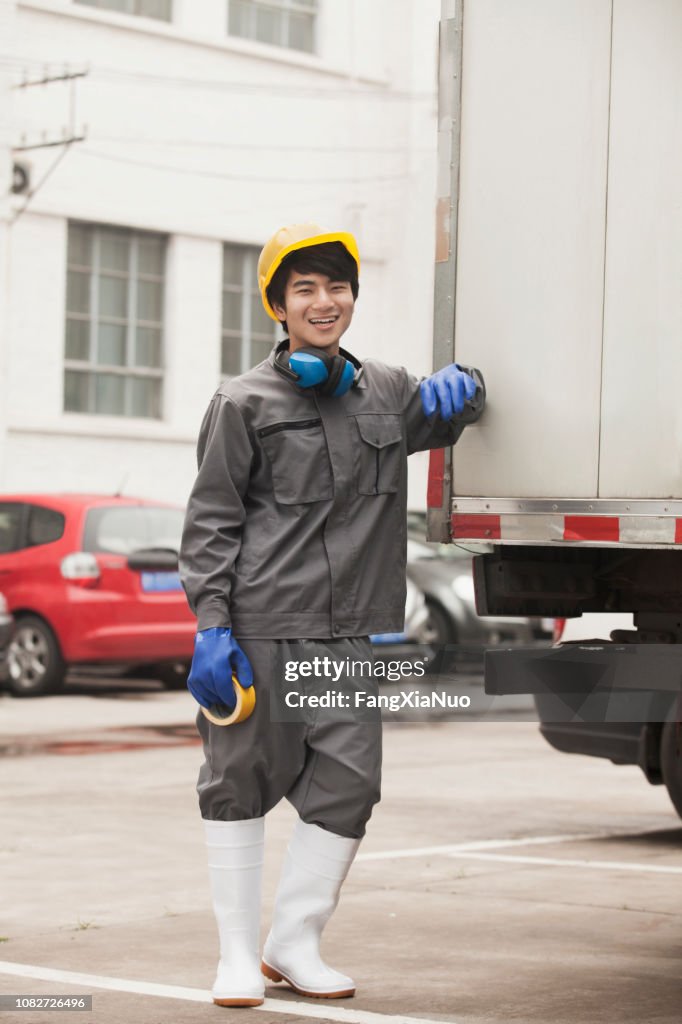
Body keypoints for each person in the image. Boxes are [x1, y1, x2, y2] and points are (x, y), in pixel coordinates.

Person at [179, 223, 485, 1008]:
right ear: (278, 306)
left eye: (337, 286)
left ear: (353, 296)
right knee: (239, 780)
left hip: (350, 634)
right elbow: (212, 520)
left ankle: (295, 940)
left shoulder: (386, 389)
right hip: (260, 626)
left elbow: (448, 414)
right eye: (305, 289)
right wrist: (212, 626)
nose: (325, 301)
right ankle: (237, 956)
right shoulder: (241, 401)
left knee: (350, 785)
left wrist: (466, 385)